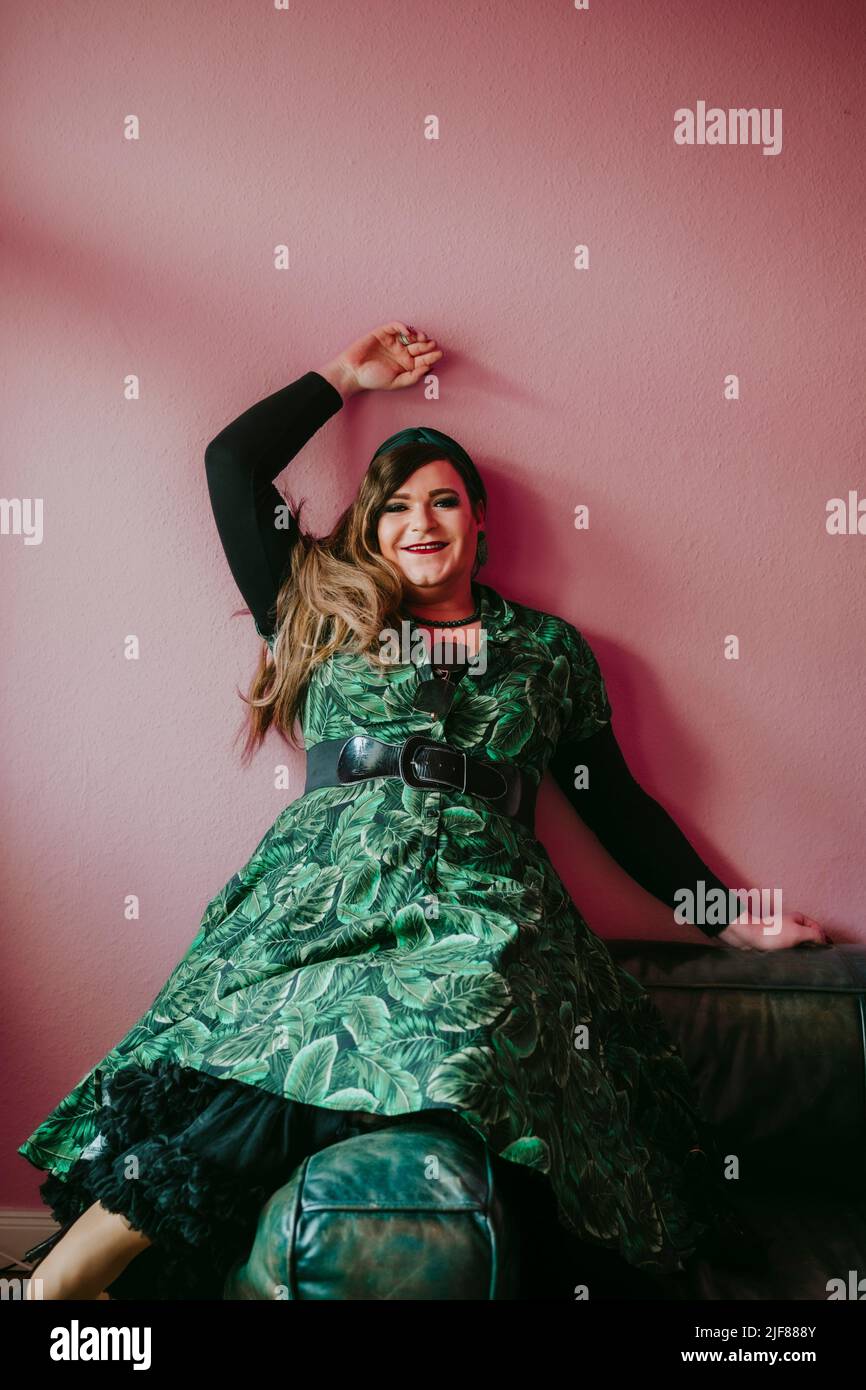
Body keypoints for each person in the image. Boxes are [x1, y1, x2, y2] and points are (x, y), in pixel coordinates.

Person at [18, 321, 829, 1302]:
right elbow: (231, 463)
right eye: (393, 505)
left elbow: (610, 802)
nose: (419, 521)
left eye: (442, 500)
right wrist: (342, 378)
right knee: (274, 1039)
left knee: (458, 1022)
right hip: (317, 898)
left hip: (483, 904)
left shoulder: (547, 648)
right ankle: (73, 1283)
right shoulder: (316, 605)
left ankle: (67, 1282)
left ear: (478, 522)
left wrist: (724, 914)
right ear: (368, 530)